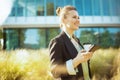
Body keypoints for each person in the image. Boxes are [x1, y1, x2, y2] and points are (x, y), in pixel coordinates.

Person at [49, 5, 93, 80]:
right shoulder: (57, 42)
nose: (78, 20)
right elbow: (55, 72)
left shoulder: (77, 40)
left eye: (78, 17)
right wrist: (76, 61)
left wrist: (86, 58)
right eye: (74, 17)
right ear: (64, 20)